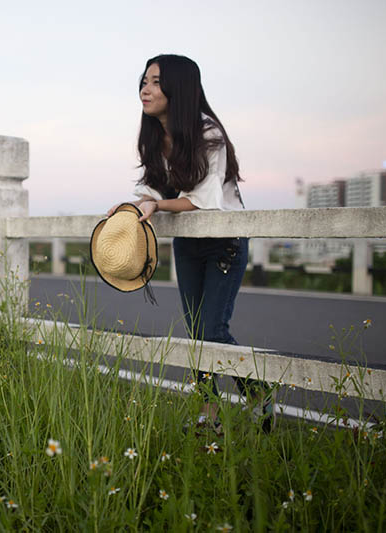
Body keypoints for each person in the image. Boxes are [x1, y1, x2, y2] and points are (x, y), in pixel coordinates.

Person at [107, 54, 272, 432]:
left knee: (214, 331)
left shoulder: (209, 134)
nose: (144, 89)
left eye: (154, 81)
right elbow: (151, 187)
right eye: (143, 81)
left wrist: (156, 203)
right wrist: (132, 204)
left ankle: (259, 393)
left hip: (223, 241)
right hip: (188, 241)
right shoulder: (154, 135)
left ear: (178, 88)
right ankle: (208, 416)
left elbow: (202, 200)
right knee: (196, 331)